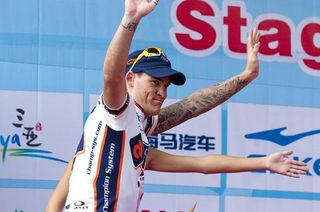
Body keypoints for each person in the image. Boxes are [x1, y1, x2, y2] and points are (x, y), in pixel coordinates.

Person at [46, 0, 308, 211]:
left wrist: (246, 77)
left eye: (166, 86)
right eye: (154, 82)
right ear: (129, 79)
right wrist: (130, 20)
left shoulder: (136, 130)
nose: (161, 92)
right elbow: (110, 76)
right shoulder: (118, 111)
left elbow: (194, 117)